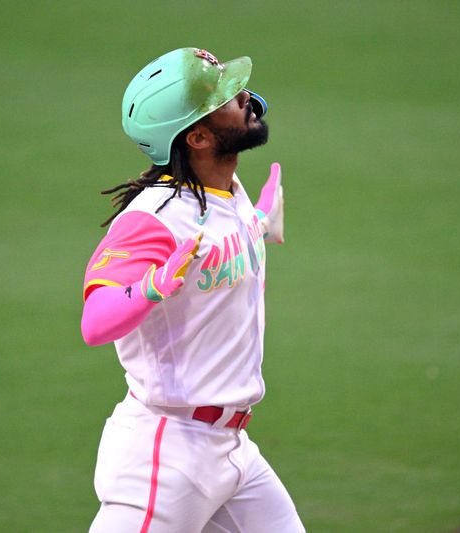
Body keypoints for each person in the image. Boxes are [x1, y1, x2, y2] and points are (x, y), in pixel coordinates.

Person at [80, 47, 303, 533]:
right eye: (224, 97)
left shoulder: (226, 191)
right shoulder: (152, 219)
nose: (244, 97)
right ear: (198, 137)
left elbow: (217, 244)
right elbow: (95, 322)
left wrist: (262, 221)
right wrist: (151, 288)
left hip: (234, 450)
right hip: (166, 455)